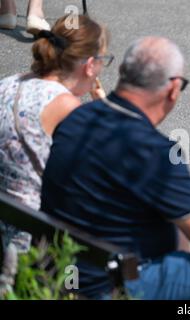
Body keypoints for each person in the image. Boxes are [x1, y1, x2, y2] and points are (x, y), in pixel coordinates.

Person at [40, 36, 190, 300]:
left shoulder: (75, 118)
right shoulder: (155, 151)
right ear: (173, 89)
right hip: (105, 287)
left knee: (177, 223)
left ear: (123, 74)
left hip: (61, 274)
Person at [0, 14, 110, 253]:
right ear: (90, 66)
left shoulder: (9, 83)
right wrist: (104, 108)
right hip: (26, 237)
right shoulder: (65, 106)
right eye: (103, 60)